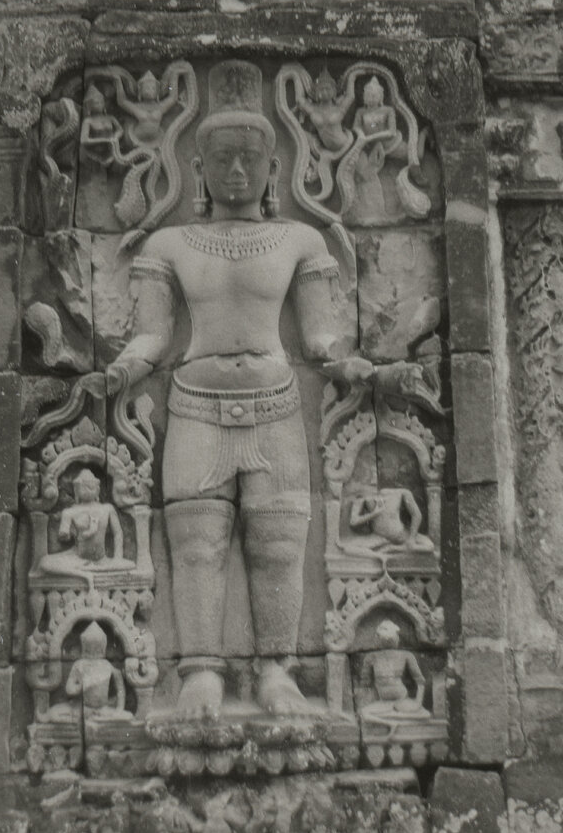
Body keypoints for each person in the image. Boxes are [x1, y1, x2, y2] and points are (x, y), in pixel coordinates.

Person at [106, 59, 371, 720]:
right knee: (195, 541)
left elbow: (322, 339)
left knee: (278, 540)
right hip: (194, 403)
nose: (235, 172)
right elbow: (150, 337)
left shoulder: (298, 239)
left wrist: (355, 366)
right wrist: (116, 372)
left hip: (277, 403)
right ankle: (200, 673)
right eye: (221, 159)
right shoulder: (168, 244)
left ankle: (277, 672)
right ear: (197, 168)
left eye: (249, 160)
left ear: (272, 168)